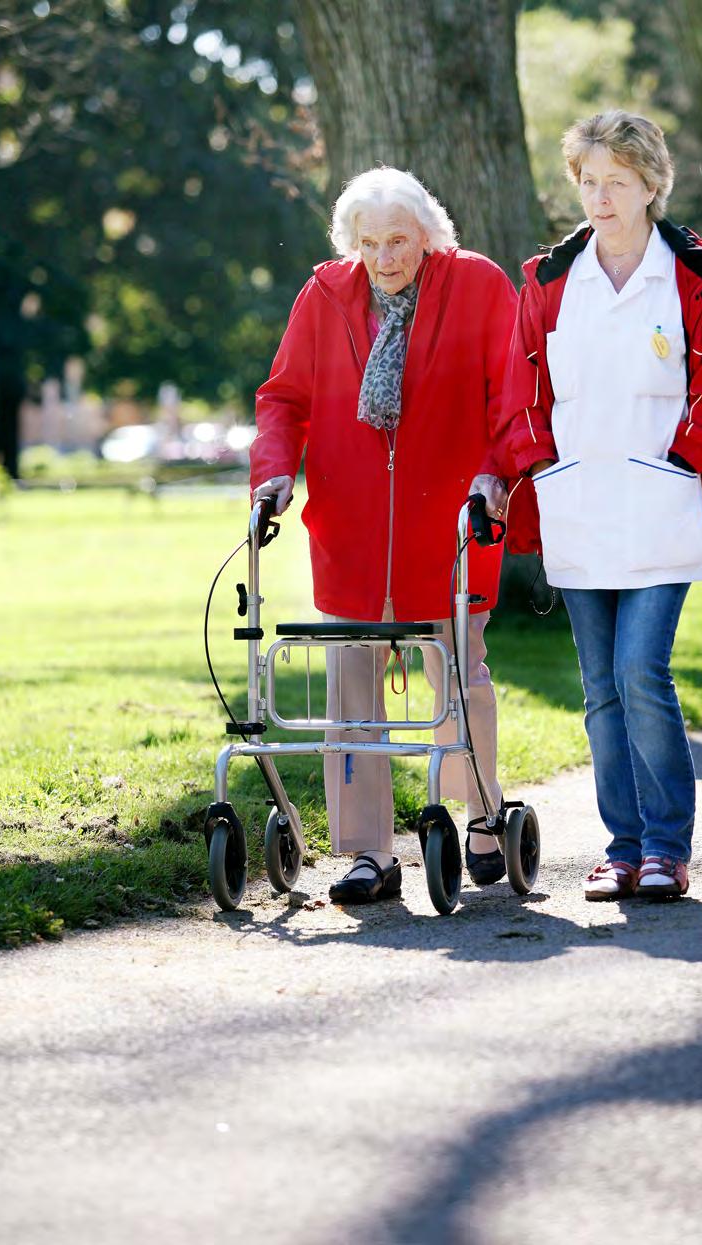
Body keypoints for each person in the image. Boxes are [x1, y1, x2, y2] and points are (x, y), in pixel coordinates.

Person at [498, 110, 702, 901]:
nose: (599, 197)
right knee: (598, 686)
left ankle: (666, 847)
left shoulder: (696, 275)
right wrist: (538, 464)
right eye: (587, 181)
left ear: (652, 185)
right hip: (577, 506)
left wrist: (682, 457)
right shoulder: (549, 281)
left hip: (662, 507)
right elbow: (521, 394)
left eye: (616, 181)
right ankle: (619, 848)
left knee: (639, 670)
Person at [250, 167, 518, 904]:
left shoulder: (478, 285)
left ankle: (482, 815)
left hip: (454, 519)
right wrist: (273, 471)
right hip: (352, 525)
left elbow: (511, 395)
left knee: (459, 673)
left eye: (398, 240)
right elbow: (283, 397)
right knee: (351, 689)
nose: (384, 257)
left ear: (428, 235)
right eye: (368, 243)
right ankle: (368, 853)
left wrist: (496, 473)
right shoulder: (326, 294)